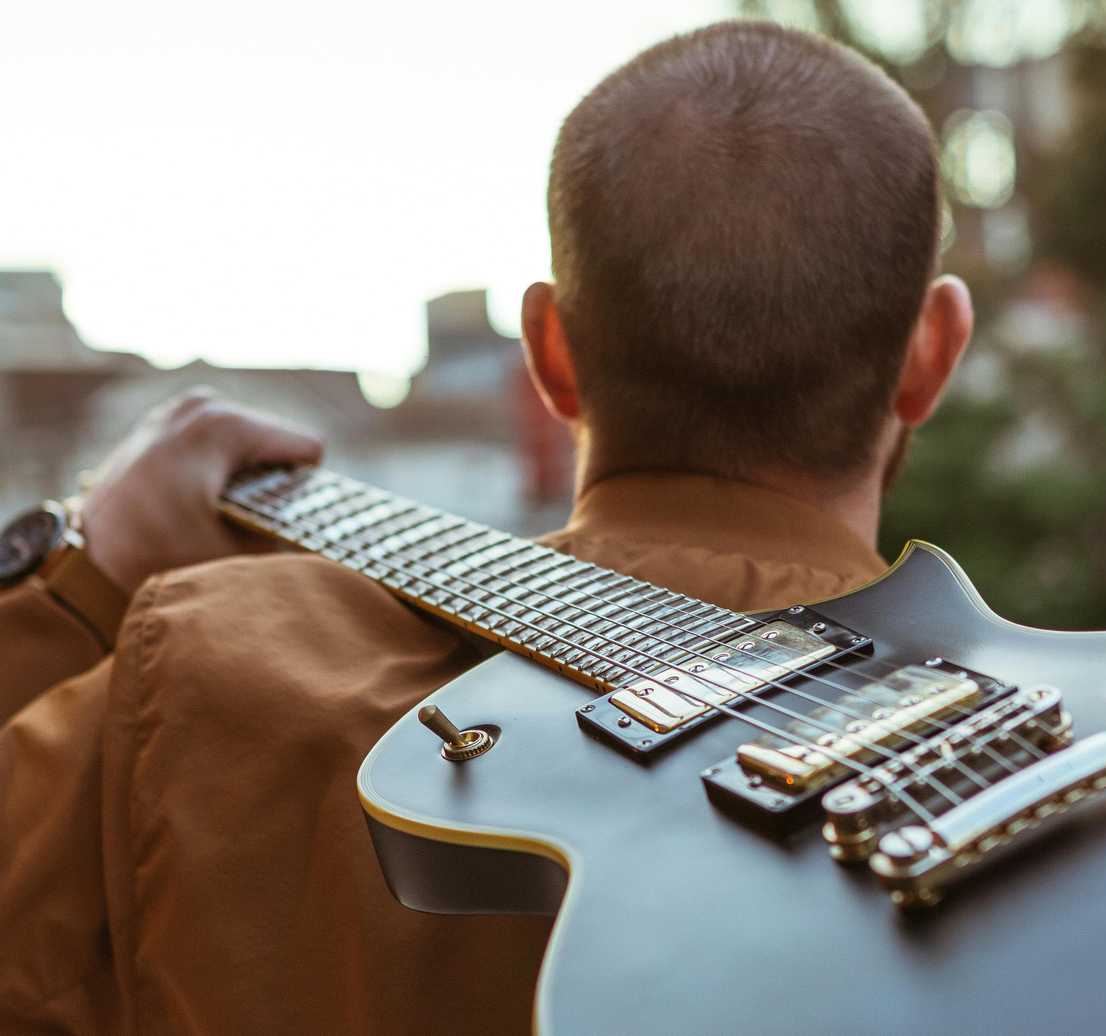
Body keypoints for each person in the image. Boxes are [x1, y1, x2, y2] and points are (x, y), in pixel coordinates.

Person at [0, 20, 972, 1035]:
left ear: (548, 353)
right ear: (933, 352)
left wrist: (76, 581)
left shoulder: (202, 665)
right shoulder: (1078, 764)